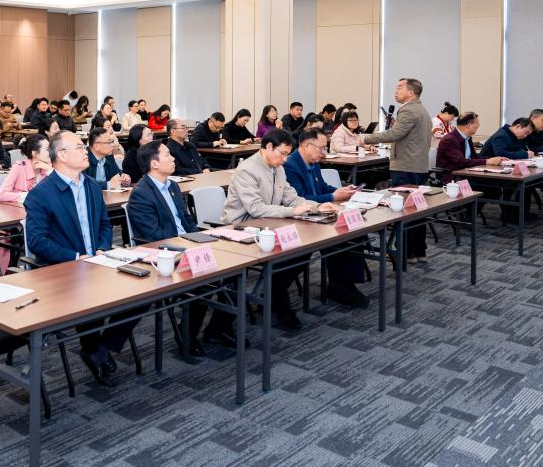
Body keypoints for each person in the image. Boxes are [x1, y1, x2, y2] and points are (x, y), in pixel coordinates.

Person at [25, 131, 138, 384]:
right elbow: (37, 241)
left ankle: (100, 348)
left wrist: (102, 248)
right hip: (64, 268)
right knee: (89, 295)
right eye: (78, 147)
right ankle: (93, 348)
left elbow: (104, 224)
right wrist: (76, 257)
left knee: (142, 291)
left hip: (97, 260)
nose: (85, 150)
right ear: (62, 155)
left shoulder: (91, 185)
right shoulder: (41, 194)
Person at [128, 140, 239, 351]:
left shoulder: (172, 185)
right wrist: (187, 244)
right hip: (166, 253)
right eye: (167, 155)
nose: (173, 158)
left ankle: (219, 329)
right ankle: (187, 334)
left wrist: (199, 238)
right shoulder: (141, 193)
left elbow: (186, 219)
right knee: (204, 279)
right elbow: (153, 236)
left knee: (236, 270)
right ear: (154, 163)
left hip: (188, 244)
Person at [221, 128, 337, 328]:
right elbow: (256, 209)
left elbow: (291, 197)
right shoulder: (247, 170)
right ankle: (281, 306)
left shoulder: (278, 167)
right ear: (268, 147)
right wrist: (292, 211)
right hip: (241, 229)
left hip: (269, 225)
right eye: (282, 153)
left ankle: (274, 295)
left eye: (287, 155)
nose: (285, 159)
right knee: (287, 255)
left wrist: (316, 206)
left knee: (302, 251)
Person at [283, 129, 368, 308]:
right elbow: (300, 198)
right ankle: (339, 286)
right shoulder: (290, 165)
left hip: (321, 213)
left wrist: (341, 191)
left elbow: (322, 187)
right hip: (302, 217)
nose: (324, 153)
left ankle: (343, 284)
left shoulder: (314, 163)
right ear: (307, 146)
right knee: (340, 236)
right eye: (321, 148)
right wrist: (332, 197)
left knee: (355, 231)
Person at [360, 78, 432, 263]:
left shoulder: (408, 109)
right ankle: (418, 252)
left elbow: (395, 134)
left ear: (411, 92)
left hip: (406, 166)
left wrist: (365, 138)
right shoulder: (422, 109)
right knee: (417, 210)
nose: (396, 90)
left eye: (400, 87)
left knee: (405, 210)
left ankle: (406, 252)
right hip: (418, 166)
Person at [0, 134, 52, 272]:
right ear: (35, 153)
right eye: (47, 149)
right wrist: (25, 195)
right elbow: (1, 194)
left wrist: (50, 170)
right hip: (19, 216)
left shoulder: (48, 168)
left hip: (41, 215)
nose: (51, 152)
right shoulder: (19, 167)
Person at [436, 112, 504, 182]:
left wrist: (494, 159)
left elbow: (474, 157)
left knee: (499, 181)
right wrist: (487, 161)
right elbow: (461, 162)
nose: (478, 125)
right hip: (453, 178)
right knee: (495, 182)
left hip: (466, 174)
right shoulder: (449, 140)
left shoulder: (467, 138)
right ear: (469, 125)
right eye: (477, 123)